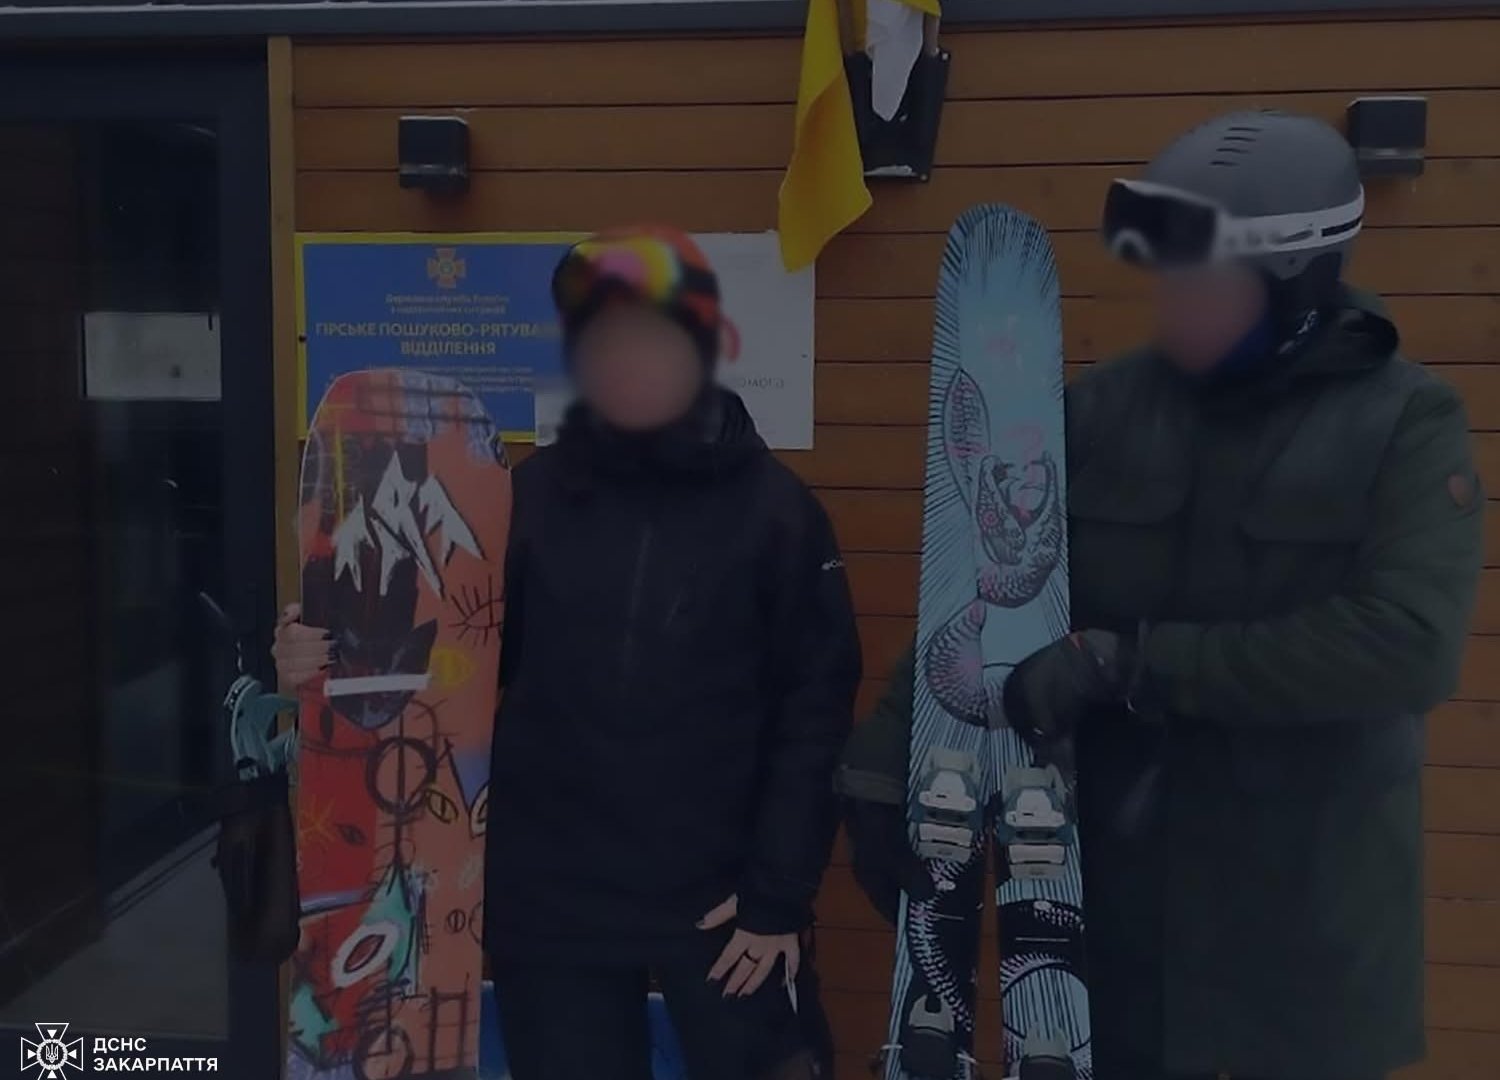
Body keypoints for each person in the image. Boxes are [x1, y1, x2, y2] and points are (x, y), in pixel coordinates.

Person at [837, 110, 1483, 1080]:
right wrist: (889, 759)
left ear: (1295, 283)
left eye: (1204, 280)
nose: (1174, 302)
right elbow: (989, 577)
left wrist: (1134, 664)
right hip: (1123, 925)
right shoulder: (1104, 411)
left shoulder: (1405, 423)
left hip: (1303, 937)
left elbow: (1407, 644)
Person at [274, 225, 861, 1080]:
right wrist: (320, 659)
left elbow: (815, 714)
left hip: (723, 901)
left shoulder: (778, 515)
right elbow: (444, 668)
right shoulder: (528, 499)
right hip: (555, 904)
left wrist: (778, 896)